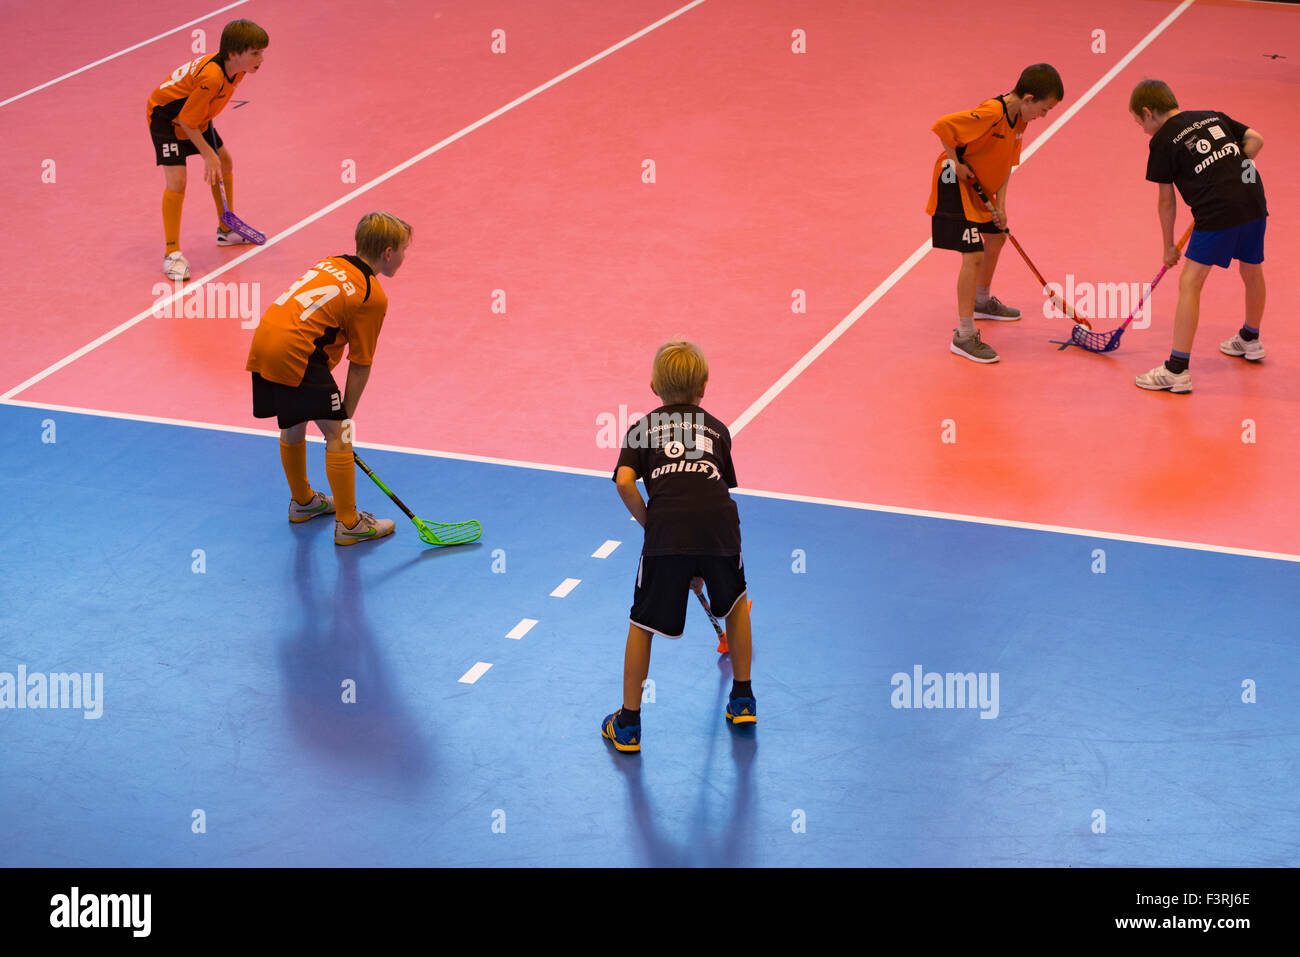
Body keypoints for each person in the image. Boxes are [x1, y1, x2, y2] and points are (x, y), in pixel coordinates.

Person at [602, 341, 755, 753]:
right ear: (703, 385)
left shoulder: (640, 428)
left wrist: (654, 526)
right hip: (720, 528)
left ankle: (629, 724)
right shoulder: (718, 429)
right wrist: (700, 562)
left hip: (667, 533)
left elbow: (623, 482)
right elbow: (709, 493)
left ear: (654, 385)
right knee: (737, 604)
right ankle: (743, 699)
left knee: (642, 624)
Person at [245, 212, 412, 545]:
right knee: (340, 436)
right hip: (297, 352)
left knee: (293, 421)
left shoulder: (331, 263)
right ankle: (349, 523)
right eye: (405, 250)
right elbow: (360, 363)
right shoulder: (372, 295)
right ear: (388, 253)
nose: (406, 257)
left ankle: (303, 502)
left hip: (265, 340)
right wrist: (343, 419)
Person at [1129, 79, 1267, 394]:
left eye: (1141, 123)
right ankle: (1251, 338)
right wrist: (1230, 174)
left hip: (1217, 210)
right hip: (1254, 199)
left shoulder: (1162, 141)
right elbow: (1256, 140)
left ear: (1149, 113)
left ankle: (1176, 370)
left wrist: (1168, 245)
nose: (1144, 130)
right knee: (1251, 268)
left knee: (1190, 282)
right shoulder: (1211, 115)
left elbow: (1166, 200)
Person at [927, 64, 1063, 362]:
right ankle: (963, 335)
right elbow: (943, 126)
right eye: (1044, 109)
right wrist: (956, 162)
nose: (1043, 116)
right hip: (955, 182)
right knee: (973, 255)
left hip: (983, 187)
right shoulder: (992, 113)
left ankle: (981, 301)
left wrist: (1001, 205)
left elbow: (1006, 166)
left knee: (998, 236)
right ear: (1028, 99)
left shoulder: (1020, 122)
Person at [146, 19, 268, 281]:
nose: (261, 58)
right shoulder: (211, 77)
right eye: (255, 53)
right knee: (178, 181)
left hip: (193, 115)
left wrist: (213, 155)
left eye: (262, 53)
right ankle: (172, 253)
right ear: (234, 53)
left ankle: (226, 229)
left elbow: (199, 112)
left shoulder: (239, 70)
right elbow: (185, 121)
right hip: (166, 118)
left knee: (225, 162)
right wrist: (207, 154)